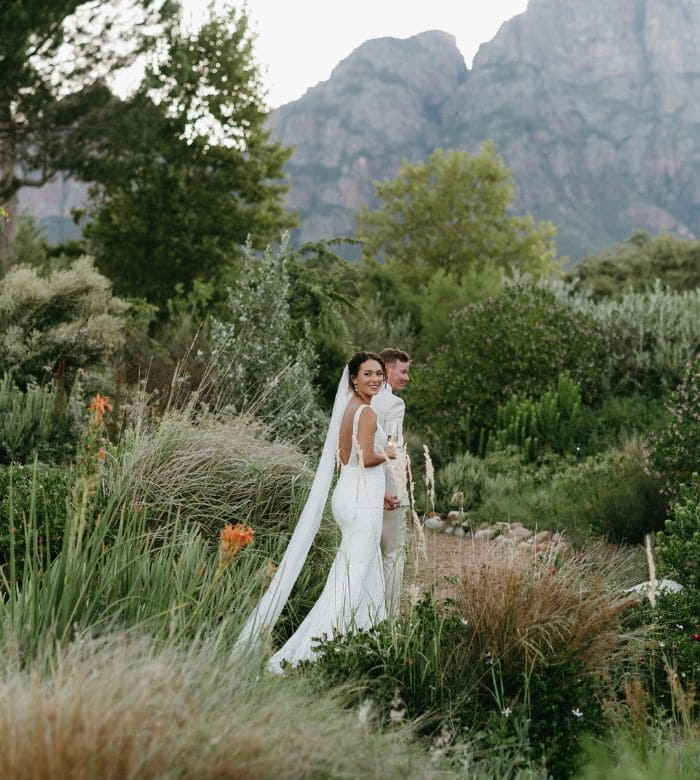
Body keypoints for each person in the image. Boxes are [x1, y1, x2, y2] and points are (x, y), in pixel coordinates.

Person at [235, 351, 397, 671]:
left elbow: (347, 458)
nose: (376, 379)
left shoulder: (349, 408)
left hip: (353, 495)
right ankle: (311, 654)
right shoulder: (366, 412)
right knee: (350, 582)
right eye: (368, 374)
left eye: (379, 373)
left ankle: (360, 641)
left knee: (355, 573)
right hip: (358, 500)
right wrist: (388, 452)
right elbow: (365, 457)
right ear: (354, 379)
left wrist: (376, 494)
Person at [372, 348, 410, 619]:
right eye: (404, 371)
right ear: (386, 369)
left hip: (362, 485)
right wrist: (395, 490)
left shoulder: (361, 398)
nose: (407, 378)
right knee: (393, 555)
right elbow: (392, 449)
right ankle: (390, 619)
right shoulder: (394, 404)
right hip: (387, 489)